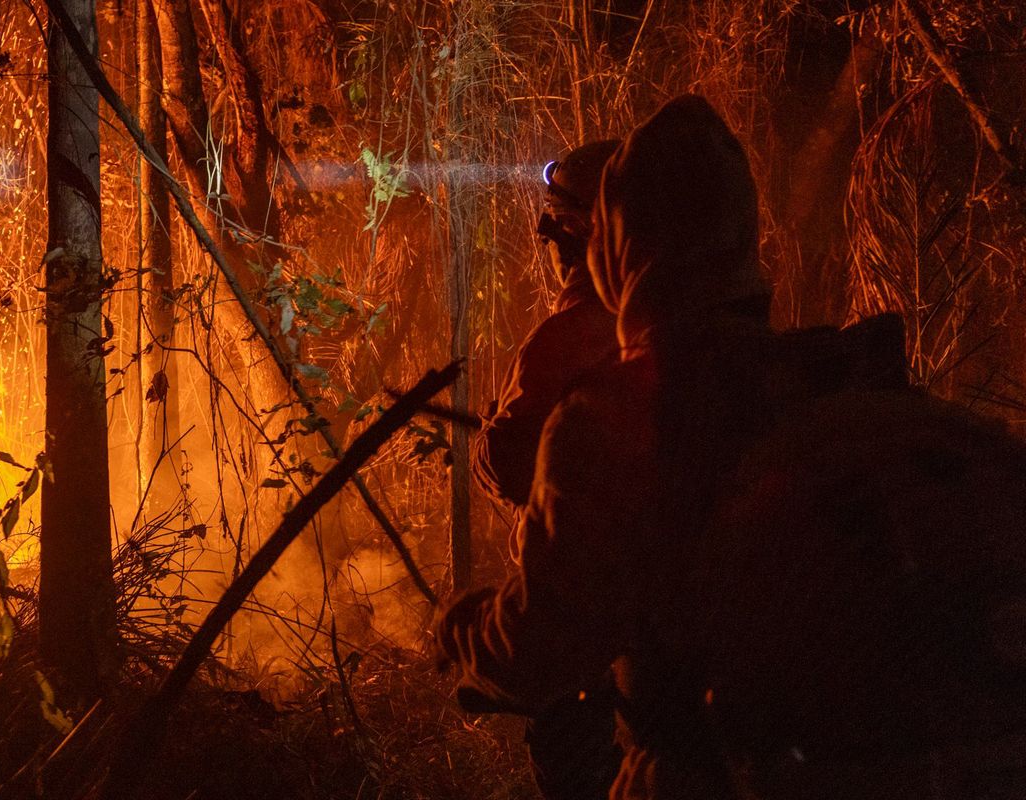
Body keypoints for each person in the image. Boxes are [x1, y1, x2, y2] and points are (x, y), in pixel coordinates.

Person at [438, 93, 1026, 800]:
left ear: (617, 248)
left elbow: (545, 645)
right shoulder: (834, 383)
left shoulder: (614, 417)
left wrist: (466, 633)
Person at [468, 139, 624, 800]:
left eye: (560, 218)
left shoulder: (568, 339)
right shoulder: (678, 328)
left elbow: (507, 464)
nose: (544, 233)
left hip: (583, 618)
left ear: (597, 230)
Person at [471, 139, 621, 508]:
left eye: (553, 225)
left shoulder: (567, 338)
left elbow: (509, 472)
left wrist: (493, 431)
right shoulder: (673, 323)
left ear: (569, 230)